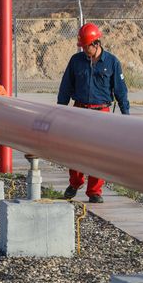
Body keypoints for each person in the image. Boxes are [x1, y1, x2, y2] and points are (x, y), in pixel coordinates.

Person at [56, 22, 130, 203]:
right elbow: (65, 87)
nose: (83, 50)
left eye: (85, 46)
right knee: (74, 150)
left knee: (99, 153)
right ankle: (75, 183)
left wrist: (126, 116)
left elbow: (120, 90)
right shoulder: (76, 61)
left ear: (96, 44)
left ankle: (94, 191)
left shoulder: (112, 62)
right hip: (79, 110)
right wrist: (60, 109)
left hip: (101, 112)